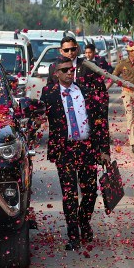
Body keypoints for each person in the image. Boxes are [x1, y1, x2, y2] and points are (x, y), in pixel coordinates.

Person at [40, 56, 110, 250]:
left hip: (87, 147)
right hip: (65, 150)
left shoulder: (85, 92)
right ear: (56, 74)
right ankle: (73, 235)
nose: (69, 72)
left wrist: (104, 150)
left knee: (90, 192)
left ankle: (83, 221)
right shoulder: (49, 93)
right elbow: (39, 116)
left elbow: (100, 122)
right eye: (64, 70)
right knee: (69, 195)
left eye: (71, 69)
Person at [107, 42, 134, 153]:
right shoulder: (122, 64)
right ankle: (133, 143)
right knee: (130, 116)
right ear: (129, 52)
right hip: (127, 93)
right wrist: (105, 88)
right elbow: (113, 77)